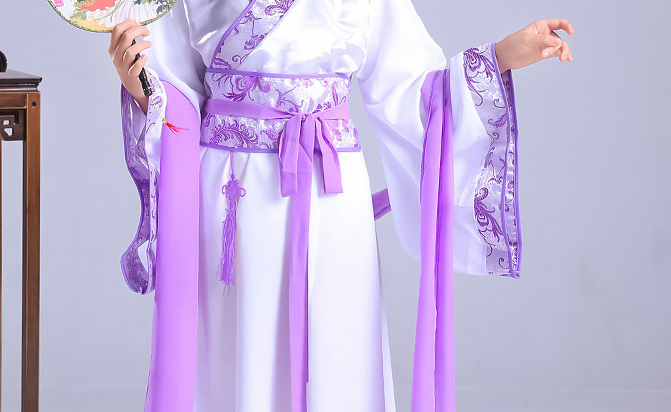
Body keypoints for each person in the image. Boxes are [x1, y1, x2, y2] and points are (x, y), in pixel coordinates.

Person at [107, 0, 573, 411]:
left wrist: (499, 57)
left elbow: (415, 92)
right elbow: (175, 94)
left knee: (340, 348)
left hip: (331, 193)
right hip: (235, 196)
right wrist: (142, 86)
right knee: (236, 348)